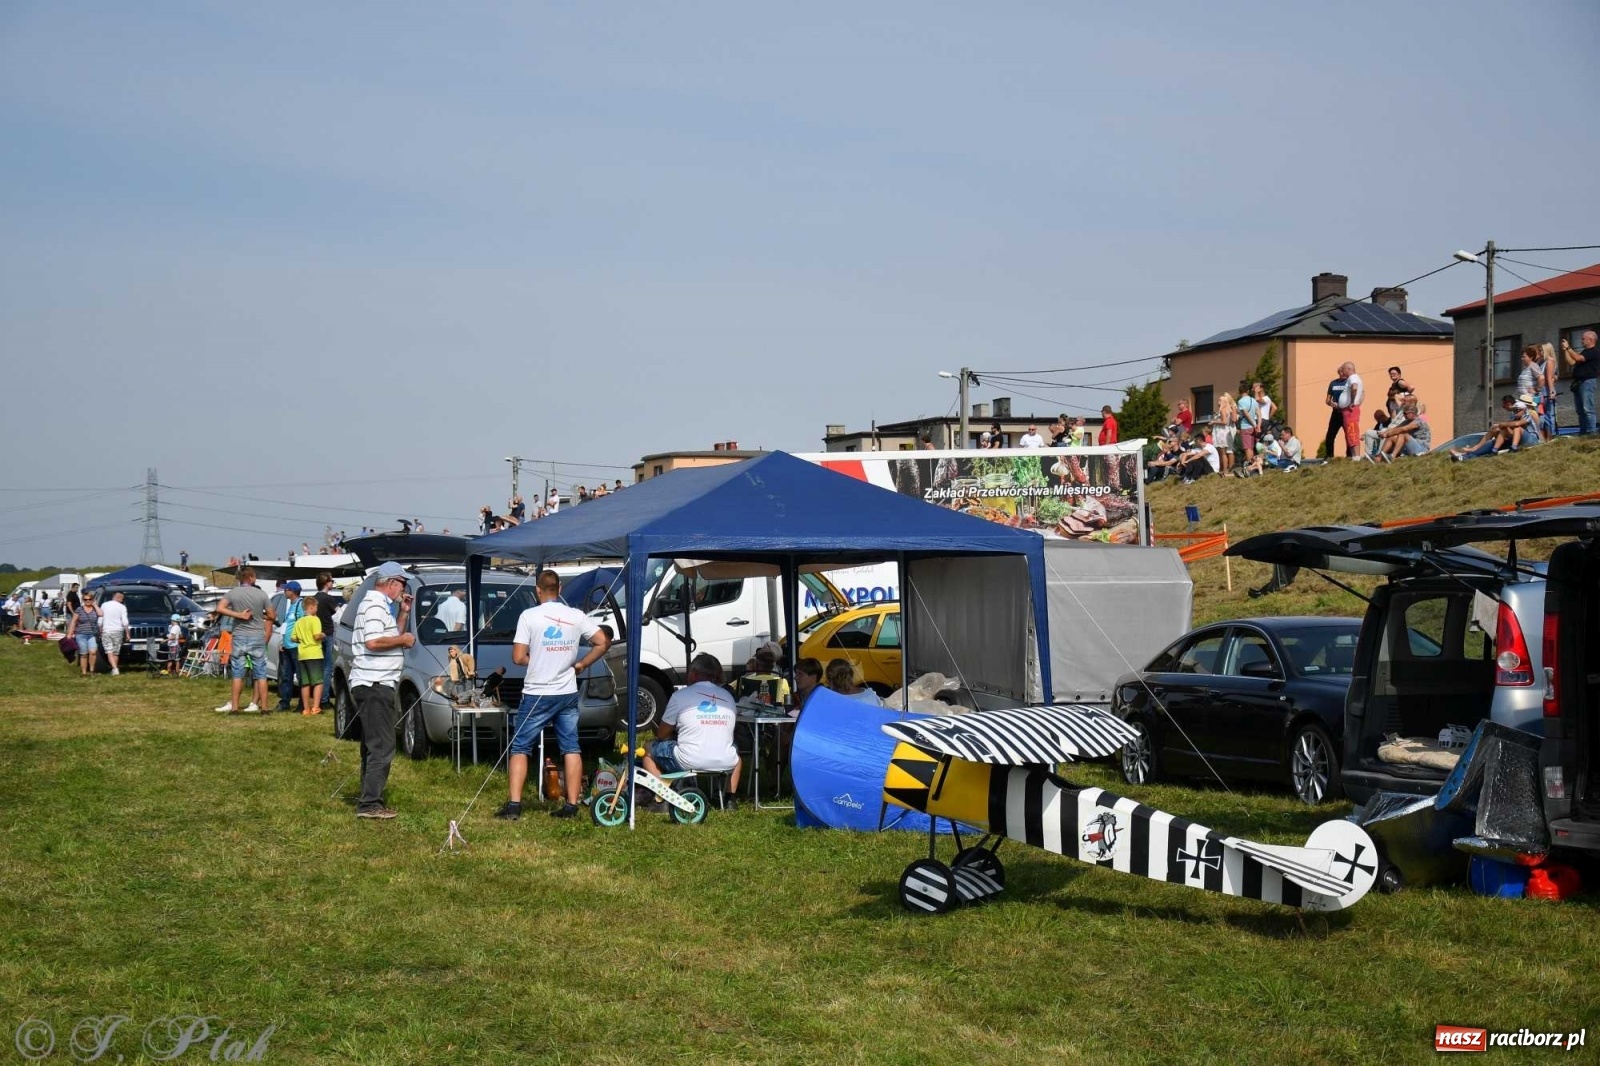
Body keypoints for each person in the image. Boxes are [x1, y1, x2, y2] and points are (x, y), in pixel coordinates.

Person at [495, 570, 610, 821]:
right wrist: (581, 664)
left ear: (537, 591)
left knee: (520, 746)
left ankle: (514, 805)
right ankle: (571, 805)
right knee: (571, 746)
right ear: (560, 589)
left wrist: (536, 659)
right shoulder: (576, 615)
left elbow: (517, 657)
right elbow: (603, 641)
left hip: (537, 691)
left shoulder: (529, 616)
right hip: (567, 691)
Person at [351, 562, 414, 819]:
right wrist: (404, 639)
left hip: (373, 682)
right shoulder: (375, 606)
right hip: (374, 683)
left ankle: (369, 796)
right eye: (401, 584)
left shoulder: (380, 606)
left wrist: (403, 613)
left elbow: (385, 635)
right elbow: (374, 642)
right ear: (390, 583)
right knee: (383, 746)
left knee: (372, 743)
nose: (403, 589)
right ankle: (370, 804)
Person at [640, 652, 742, 804]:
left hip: (688, 760)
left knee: (648, 749)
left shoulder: (680, 696)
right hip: (725, 760)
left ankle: (665, 795)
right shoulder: (727, 697)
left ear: (693, 674)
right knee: (736, 757)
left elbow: (662, 733)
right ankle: (729, 800)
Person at [214, 567, 272, 714]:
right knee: (261, 674)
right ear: (251, 577)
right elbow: (272, 615)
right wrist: (261, 616)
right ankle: (264, 708)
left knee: (238, 674)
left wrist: (238, 615)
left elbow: (219, 608)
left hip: (239, 635)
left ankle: (234, 707)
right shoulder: (261, 594)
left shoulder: (233, 593)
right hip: (257, 635)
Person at [1451, 395, 1534, 461]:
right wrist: (1498, 428)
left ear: (1523, 410)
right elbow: (1508, 427)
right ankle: (1467, 455)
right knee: (1497, 432)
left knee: (1516, 427)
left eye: (1517, 410)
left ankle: (1513, 448)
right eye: (1514, 410)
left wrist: (1500, 424)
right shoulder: (1514, 415)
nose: (1515, 412)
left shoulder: (1528, 416)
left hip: (1530, 440)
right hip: (1516, 440)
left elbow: (1516, 424)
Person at [275, 581, 306, 711]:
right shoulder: (290, 605)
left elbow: (302, 623)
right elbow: (287, 625)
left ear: (292, 591)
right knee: (286, 676)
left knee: (300, 676)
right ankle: (284, 702)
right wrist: (283, 642)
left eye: (286, 590)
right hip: (287, 646)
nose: (284, 592)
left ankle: (302, 703)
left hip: (296, 646)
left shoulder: (299, 605)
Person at [291, 602, 325, 716]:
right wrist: (323, 635)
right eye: (316, 607)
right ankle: (315, 707)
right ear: (311, 607)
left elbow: (293, 638)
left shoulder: (299, 621)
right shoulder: (315, 620)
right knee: (318, 682)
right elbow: (316, 635)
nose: (317, 609)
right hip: (314, 653)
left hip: (302, 653)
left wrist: (303, 640)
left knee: (305, 683)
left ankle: (306, 709)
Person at [1563, 330, 1598, 434]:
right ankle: (1583, 432)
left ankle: (1591, 431)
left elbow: (1578, 358)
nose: (1581, 341)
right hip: (1579, 383)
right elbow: (1571, 361)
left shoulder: (1593, 352)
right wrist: (1565, 350)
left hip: (1587, 382)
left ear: (1590, 340)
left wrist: (1569, 348)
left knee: (1588, 409)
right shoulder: (1585, 352)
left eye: (1583, 339)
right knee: (1580, 410)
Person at [66, 592, 101, 676]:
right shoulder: (79, 609)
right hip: (81, 634)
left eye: (90, 599)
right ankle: (84, 672)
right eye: (85, 599)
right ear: (83, 600)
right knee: (84, 654)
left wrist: (95, 605)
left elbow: (101, 614)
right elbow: (73, 621)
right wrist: (70, 633)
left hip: (92, 634)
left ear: (92, 600)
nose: (88, 601)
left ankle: (92, 670)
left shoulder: (95, 609)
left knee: (93, 652)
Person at [99, 590, 129, 676]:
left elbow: (100, 619)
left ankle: (115, 669)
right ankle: (114, 669)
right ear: (118, 597)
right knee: (116, 651)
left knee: (109, 650)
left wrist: (100, 628)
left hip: (107, 630)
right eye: (122, 599)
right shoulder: (122, 607)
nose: (122, 600)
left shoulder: (104, 605)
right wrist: (127, 633)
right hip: (118, 631)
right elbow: (125, 621)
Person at [1212, 392, 1237, 476]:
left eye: (1219, 400)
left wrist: (1214, 422)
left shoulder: (1223, 410)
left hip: (1222, 432)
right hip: (1227, 432)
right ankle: (1230, 468)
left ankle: (1225, 469)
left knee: (1223, 452)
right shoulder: (1229, 410)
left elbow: (1225, 421)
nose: (1217, 401)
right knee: (1229, 451)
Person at [1538, 342, 1559, 440]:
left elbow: (1549, 378)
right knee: (1543, 414)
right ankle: (1546, 435)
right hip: (1542, 391)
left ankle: (1551, 434)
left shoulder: (1550, 361)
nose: (1540, 352)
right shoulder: (1542, 362)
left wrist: (1551, 391)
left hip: (1546, 390)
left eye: (1542, 350)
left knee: (1549, 414)